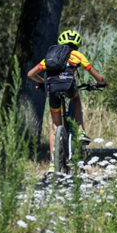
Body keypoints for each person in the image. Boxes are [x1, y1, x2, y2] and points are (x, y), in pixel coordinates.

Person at [26, 29, 107, 173]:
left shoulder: (51, 56)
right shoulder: (77, 55)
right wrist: (102, 82)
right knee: (75, 98)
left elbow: (31, 74)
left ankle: (52, 164)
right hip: (69, 88)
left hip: (52, 91)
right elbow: (97, 76)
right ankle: (80, 131)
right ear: (76, 45)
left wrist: (44, 83)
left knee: (55, 125)